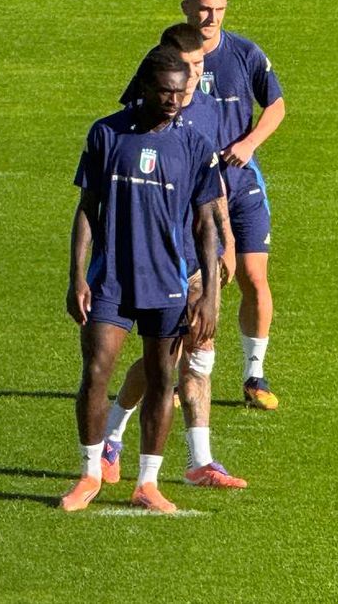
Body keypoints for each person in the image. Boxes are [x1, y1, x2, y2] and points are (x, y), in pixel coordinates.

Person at [61, 46, 223, 514]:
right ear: (146, 88)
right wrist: (77, 277)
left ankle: (147, 483)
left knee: (161, 377)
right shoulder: (106, 134)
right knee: (96, 373)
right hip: (111, 278)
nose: (174, 100)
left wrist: (209, 296)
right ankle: (91, 473)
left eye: (180, 92)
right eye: (166, 91)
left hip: (167, 281)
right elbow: (87, 210)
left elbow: (207, 224)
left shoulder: (194, 144)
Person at [101, 23, 246, 489]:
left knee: (200, 353)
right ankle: (113, 435)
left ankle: (200, 460)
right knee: (165, 359)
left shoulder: (197, 110)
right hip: (158, 257)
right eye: (190, 68)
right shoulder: (142, 113)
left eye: (201, 68)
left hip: (194, 255)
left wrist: (224, 242)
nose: (197, 79)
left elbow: (211, 187)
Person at [182, 0, 285, 411]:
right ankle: (191, 374)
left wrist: (248, 144)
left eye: (219, 9)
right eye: (204, 8)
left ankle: (254, 375)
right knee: (203, 283)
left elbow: (276, 105)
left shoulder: (245, 53)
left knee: (254, 278)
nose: (212, 17)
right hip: (195, 191)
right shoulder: (171, 57)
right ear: (186, 6)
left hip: (243, 185)